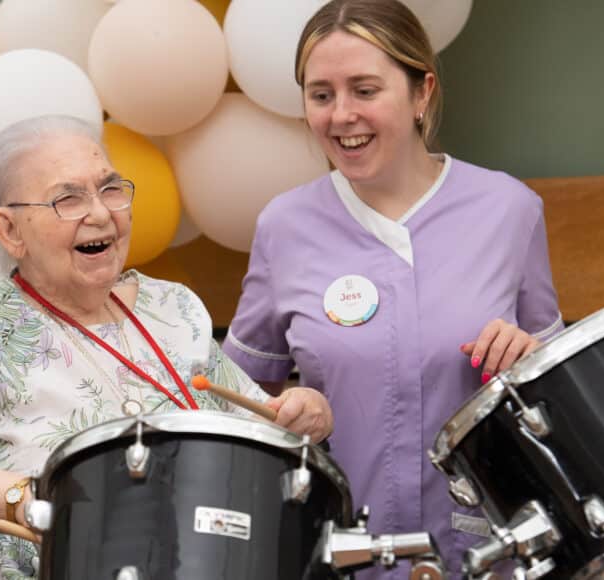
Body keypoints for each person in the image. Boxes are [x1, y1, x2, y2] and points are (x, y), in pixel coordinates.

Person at [0, 115, 332, 579]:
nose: (101, 214)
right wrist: (33, 498)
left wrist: (303, 411)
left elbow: (258, 433)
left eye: (110, 190)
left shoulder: (173, 307)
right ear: (10, 231)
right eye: (68, 199)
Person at [221, 0, 564, 576]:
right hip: (343, 556)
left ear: (421, 92)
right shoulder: (284, 226)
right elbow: (239, 404)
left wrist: (533, 362)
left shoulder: (509, 210)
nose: (341, 115)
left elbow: (566, 405)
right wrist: (284, 411)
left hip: (488, 555)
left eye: (365, 89)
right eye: (321, 94)